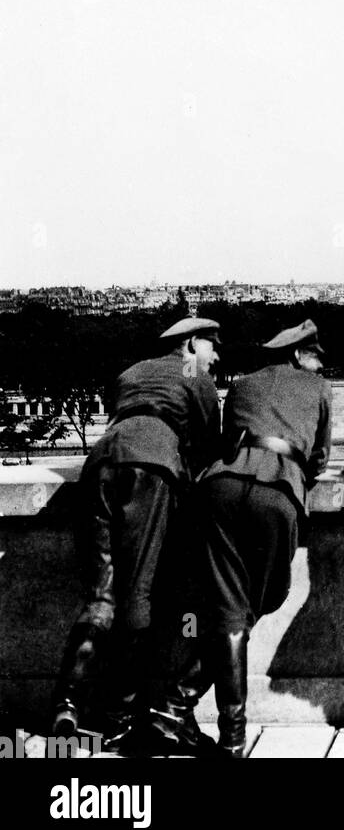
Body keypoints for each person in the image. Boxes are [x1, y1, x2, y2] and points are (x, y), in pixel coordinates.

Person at [51, 316, 222, 749]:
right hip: (151, 466)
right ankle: (123, 713)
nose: (215, 355)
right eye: (211, 345)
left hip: (102, 460)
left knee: (101, 594)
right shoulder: (191, 372)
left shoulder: (131, 371)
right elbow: (207, 449)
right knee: (141, 593)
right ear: (189, 345)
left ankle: (67, 703)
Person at [192, 318, 332, 758]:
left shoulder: (242, 384)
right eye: (314, 356)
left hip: (221, 489)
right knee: (261, 601)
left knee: (230, 610)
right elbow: (320, 459)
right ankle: (189, 706)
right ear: (297, 354)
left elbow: (223, 440)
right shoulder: (319, 388)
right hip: (277, 492)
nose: (318, 364)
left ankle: (201, 716)